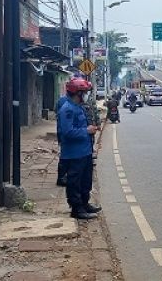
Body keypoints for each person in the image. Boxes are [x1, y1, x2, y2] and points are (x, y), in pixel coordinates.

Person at [57, 78, 101, 219]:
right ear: (78, 93)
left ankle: (85, 204)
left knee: (85, 181)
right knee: (74, 182)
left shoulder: (78, 107)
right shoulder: (67, 109)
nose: (87, 95)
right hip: (74, 154)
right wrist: (86, 131)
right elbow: (67, 132)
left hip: (85, 151)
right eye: (85, 93)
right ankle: (77, 209)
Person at [55, 91, 71, 187]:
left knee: (64, 153)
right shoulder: (71, 104)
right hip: (66, 132)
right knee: (66, 155)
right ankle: (61, 177)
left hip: (60, 131)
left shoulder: (61, 100)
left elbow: (55, 111)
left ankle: (62, 176)